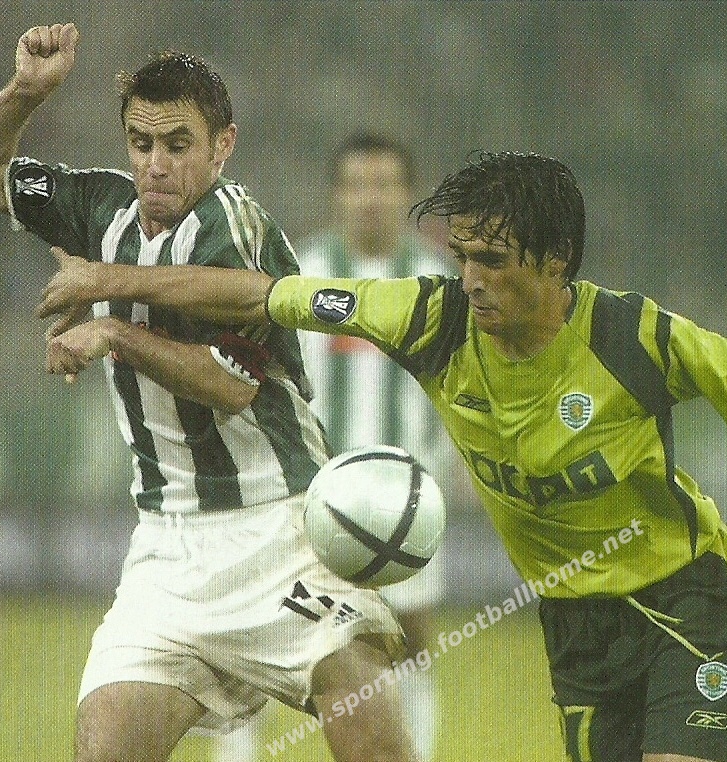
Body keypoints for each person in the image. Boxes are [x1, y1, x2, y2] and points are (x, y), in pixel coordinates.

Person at [35, 150, 727, 762]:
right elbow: (258, 295)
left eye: (492, 261)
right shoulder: (426, 319)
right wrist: (107, 283)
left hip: (687, 607)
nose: (469, 279)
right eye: (462, 256)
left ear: (555, 265)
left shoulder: (637, 341)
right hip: (577, 628)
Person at [0, 23, 419, 762]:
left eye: (177, 145)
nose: (155, 165)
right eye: (140, 144)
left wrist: (112, 329)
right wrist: (24, 94)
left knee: (373, 738)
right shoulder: (98, 207)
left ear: (222, 146)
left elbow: (229, 386)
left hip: (285, 530)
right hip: (169, 549)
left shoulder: (236, 225)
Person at [216, 132, 453, 762]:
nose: (370, 199)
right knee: (262, 639)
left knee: (410, 643)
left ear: (408, 195)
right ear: (337, 196)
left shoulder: (442, 284)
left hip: (407, 498)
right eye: (357, 185)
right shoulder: (301, 274)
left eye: (384, 185)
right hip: (305, 494)